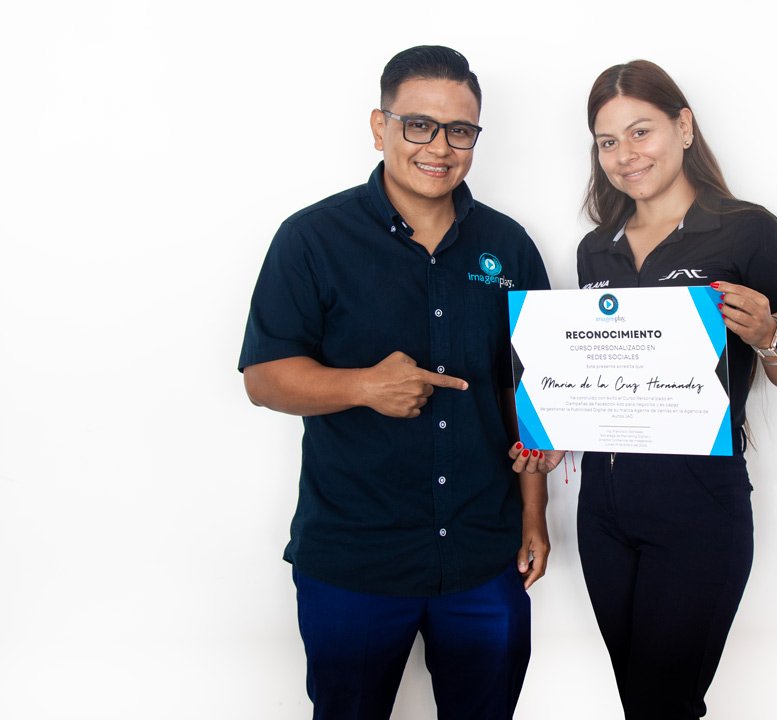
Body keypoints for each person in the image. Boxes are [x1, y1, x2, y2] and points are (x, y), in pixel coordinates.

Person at [238, 45, 551, 720]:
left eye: (460, 130)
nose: (440, 147)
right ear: (380, 128)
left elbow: (525, 394)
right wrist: (363, 387)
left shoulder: (510, 246)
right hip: (354, 560)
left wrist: (534, 514)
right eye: (419, 125)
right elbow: (263, 378)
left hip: (483, 554)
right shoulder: (311, 239)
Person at [573, 60, 777, 719]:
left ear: (683, 127)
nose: (625, 155)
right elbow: (601, 371)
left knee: (663, 704)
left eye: (640, 131)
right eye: (607, 141)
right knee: (640, 704)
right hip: (602, 505)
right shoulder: (596, 248)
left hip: (698, 502)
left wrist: (768, 335)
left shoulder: (748, 230)